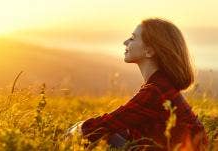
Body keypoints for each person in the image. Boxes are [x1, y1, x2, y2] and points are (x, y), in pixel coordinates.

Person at [66, 18, 208, 150]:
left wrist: (75, 129)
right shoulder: (161, 84)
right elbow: (121, 125)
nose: (125, 42)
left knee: (94, 134)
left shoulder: (156, 90)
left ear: (149, 51)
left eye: (132, 38)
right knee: (110, 131)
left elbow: (101, 126)